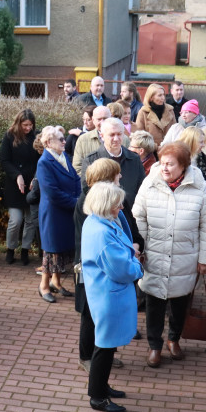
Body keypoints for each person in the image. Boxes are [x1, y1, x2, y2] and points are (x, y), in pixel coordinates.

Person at [133, 142, 206, 368]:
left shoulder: (198, 186)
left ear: (183, 166)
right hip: (154, 254)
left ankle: (173, 339)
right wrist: (139, 248)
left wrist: (205, 259)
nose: (165, 168)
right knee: (154, 303)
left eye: (171, 164)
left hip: (185, 255)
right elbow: (137, 216)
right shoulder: (150, 182)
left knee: (180, 302)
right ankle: (154, 346)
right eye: (162, 163)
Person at [81, 181, 143, 412]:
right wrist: (138, 266)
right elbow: (122, 270)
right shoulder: (102, 233)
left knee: (106, 345)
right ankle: (97, 396)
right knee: (105, 347)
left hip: (105, 293)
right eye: (117, 205)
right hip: (109, 296)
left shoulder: (97, 221)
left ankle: (102, 386)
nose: (121, 208)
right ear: (105, 205)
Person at [75, 159, 126, 373]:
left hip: (101, 268)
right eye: (116, 174)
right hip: (92, 270)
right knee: (90, 314)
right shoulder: (90, 202)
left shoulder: (110, 198)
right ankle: (87, 356)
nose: (120, 177)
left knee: (103, 315)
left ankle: (103, 353)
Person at [79, 118, 145, 251]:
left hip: (129, 218)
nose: (116, 138)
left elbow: (141, 188)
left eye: (119, 134)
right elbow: (87, 189)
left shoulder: (134, 159)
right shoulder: (92, 160)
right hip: (105, 220)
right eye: (112, 134)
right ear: (102, 136)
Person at [35, 126, 81, 302]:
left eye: (64, 138)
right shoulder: (44, 162)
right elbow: (52, 192)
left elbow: (75, 178)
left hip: (67, 210)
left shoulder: (63, 156)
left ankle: (56, 282)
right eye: (60, 139)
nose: (64, 142)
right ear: (48, 142)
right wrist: (75, 203)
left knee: (61, 249)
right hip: (54, 213)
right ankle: (44, 286)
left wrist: (78, 198)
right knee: (51, 250)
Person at [0, 109, 40, 266]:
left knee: (30, 220)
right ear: (18, 123)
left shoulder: (37, 136)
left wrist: (35, 178)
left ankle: (25, 249)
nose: (28, 128)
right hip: (14, 183)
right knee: (15, 221)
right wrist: (17, 175)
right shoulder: (9, 136)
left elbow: (40, 159)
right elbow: (5, 160)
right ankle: (10, 249)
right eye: (25, 125)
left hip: (32, 183)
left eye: (30, 125)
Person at [73, 106, 130, 174]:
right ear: (93, 120)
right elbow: (78, 168)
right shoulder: (83, 140)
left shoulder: (124, 139)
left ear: (111, 117)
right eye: (99, 119)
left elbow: (129, 164)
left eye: (105, 118)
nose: (102, 122)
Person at [133, 83, 177, 147]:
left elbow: (175, 131)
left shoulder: (170, 110)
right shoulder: (143, 112)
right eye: (159, 95)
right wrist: (155, 147)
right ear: (151, 98)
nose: (163, 98)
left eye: (163, 95)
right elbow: (139, 136)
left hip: (168, 151)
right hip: (150, 151)